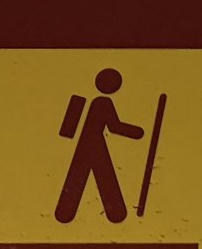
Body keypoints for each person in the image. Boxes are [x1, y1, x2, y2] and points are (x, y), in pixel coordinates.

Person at [55, 68, 143, 223]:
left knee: (79, 178)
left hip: (87, 146)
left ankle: (66, 214)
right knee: (101, 177)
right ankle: (113, 213)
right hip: (92, 145)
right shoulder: (102, 103)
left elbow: (67, 130)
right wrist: (137, 132)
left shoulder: (87, 101)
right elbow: (114, 127)